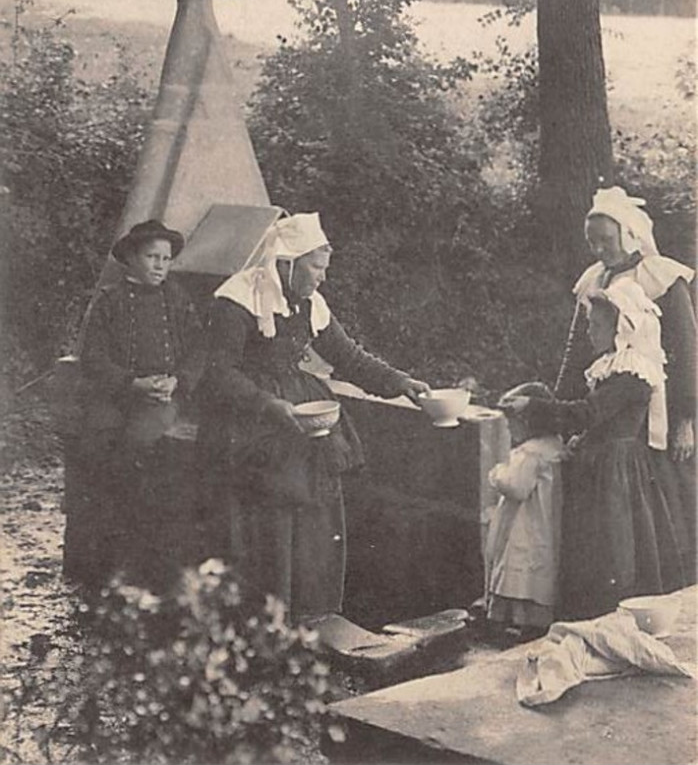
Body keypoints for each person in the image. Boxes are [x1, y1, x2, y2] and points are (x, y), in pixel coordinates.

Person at [197, 212, 430, 623]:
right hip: (250, 423)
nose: (322, 278)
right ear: (288, 262)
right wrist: (269, 405)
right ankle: (264, 617)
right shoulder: (236, 301)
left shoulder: (308, 304)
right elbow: (218, 373)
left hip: (301, 418)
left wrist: (399, 381)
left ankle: (309, 611)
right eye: (317, 268)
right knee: (268, 517)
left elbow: (348, 357)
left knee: (315, 511)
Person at [509, 278, 685, 619]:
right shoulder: (612, 368)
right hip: (601, 463)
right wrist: (582, 440)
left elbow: (587, 413)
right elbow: (597, 420)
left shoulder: (631, 373)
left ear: (620, 328)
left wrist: (532, 405)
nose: (589, 331)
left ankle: (610, 612)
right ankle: (593, 612)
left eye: (596, 324)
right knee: (595, 544)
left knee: (614, 546)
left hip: (615, 471)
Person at [556, 185, 696, 584]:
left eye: (606, 239)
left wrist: (687, 418)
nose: (600, 249)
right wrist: (559, 409)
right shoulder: (594, 281)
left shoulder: (662, 276)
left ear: (629, 234)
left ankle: (675, 585)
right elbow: (576, 351)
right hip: (613, 411)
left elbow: (687, 350)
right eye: (592, 242)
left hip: (659, 411)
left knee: (671, 498)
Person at [65, 220, 205, 592]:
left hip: (162, 394)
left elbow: (198, 350)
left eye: (166, 258)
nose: (160, 265)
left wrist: (178, 381)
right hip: (116, 394)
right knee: (98, 442)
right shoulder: (109, 302)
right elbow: (93, 358)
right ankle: (100, 556)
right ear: (130, 258)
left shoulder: (176, 299)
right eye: (151, 257)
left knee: (142, 444)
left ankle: (144, 556)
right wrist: (131, 383)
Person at [485, 383, 566, 637]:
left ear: (528, 422)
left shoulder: (530, 453)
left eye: (512, 423)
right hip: (546, 520)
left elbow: (516, 486)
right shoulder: (555, 445)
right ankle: (533, 620)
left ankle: (517, 621)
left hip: (526, 523)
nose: (509, 429)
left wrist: (496, 473)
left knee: (520, 563)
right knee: (539, 566)